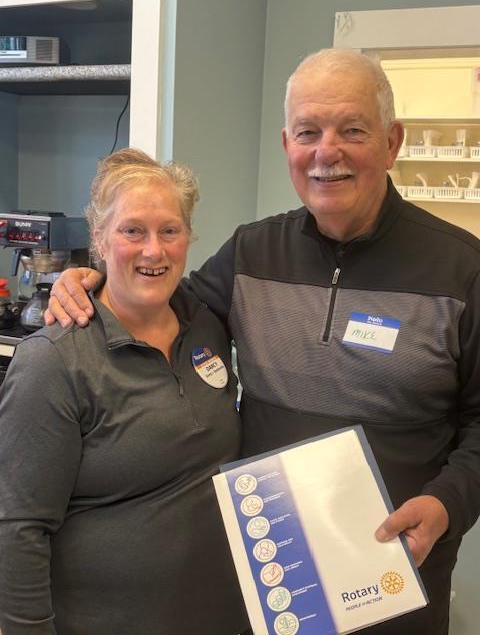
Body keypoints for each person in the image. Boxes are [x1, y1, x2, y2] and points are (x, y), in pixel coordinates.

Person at [45, 49, 480, 635]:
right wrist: (92, 280)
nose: (327, 152)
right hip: (272, 583)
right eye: (308, 132)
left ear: (391, 142)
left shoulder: (462, 270)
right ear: (286, 145)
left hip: (395, 586)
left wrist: (448, 504)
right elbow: (162, 307)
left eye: (352, 130)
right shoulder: (251, 254)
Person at [0, 148, 250, 635]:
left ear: (188, 236)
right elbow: (17, 527)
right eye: (132, 231)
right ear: (99, 238)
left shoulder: (206, 325)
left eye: (169, 231)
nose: (153, 251)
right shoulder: (54, 361)